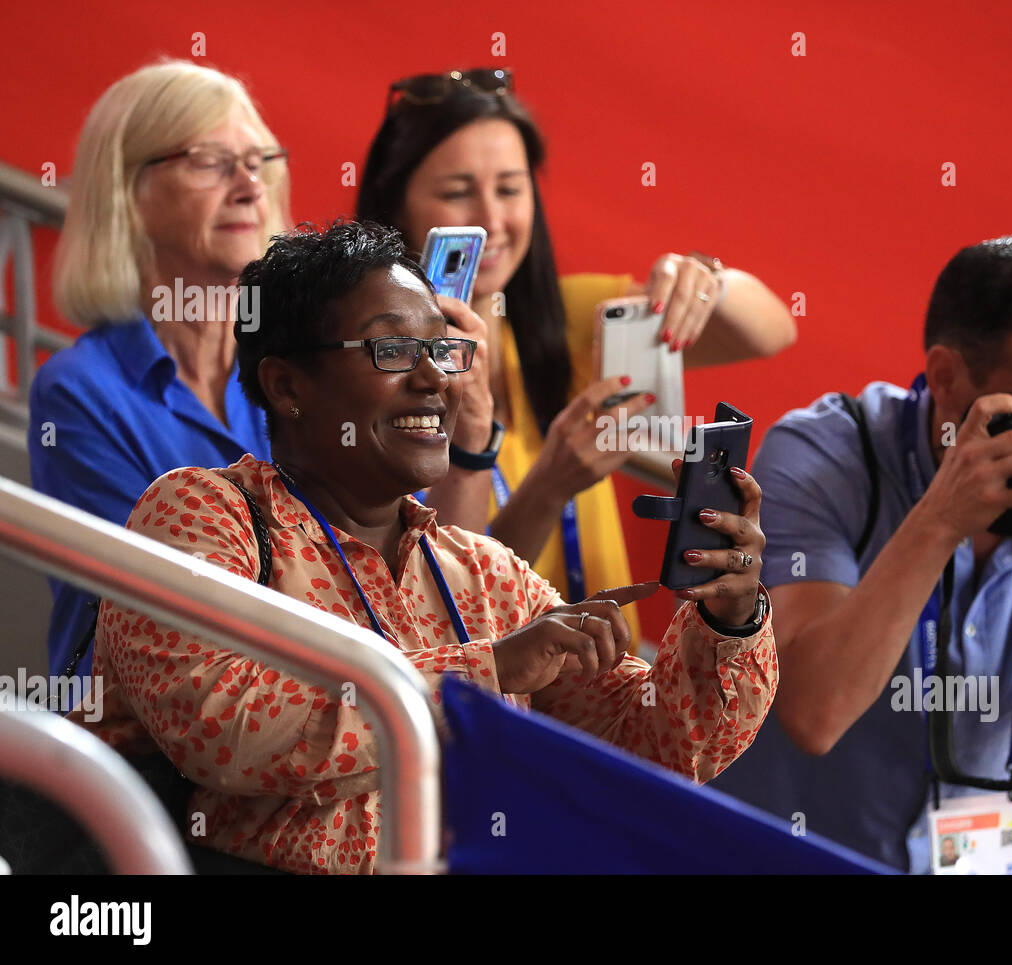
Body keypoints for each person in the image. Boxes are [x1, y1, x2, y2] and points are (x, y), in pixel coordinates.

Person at [67, 220, 777, 874]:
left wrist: (729, 617)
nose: (436, 377)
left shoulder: (487, 574)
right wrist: (488, 668)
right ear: (287, 384)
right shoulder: (203, 512)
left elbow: (656, 744)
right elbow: (222, 724)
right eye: (394, 349)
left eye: (443, 347)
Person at [708, 236, 1012, 874]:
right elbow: (812, 715)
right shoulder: (829, 454)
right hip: (809, 852)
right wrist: (940, 519)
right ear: (945, 376)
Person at [356, 67, 797, 640]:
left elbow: (770, 331)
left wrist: (705, 278)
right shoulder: (378, 371)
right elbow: (440, 609)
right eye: (457, 192)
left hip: (606, 689)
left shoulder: (566, 323)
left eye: (511, 189)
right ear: (396, 205)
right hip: (492, 695)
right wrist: (547, 489)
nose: (492, 219)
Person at [27, 60, 289, 678]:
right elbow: (176, 625)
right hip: (147, 747)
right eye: (209, 161)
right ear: (128, 194)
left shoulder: (305, 364)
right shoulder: (79, 391)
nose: (251, 187)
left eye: (258, 162)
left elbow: (399, 565)